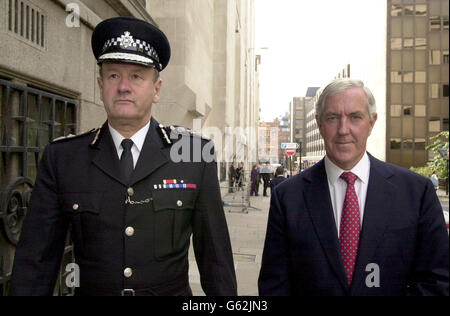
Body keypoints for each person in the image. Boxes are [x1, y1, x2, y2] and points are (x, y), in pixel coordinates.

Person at [10, 17, 237, 296]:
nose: (124, 86)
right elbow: (36, 261)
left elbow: (215, 260)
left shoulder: (193, 156)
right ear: (100, 85)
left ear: (156, 89)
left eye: (137, 76)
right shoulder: (64, 158)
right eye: (114, 75)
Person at [259, 79, 449, 296]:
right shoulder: (288, 197)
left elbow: (436, 282)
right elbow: (274, 286)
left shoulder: (416, 193)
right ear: (319, 123)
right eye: (333, 118)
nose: (343, 130)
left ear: (371, 122)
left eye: (355, 117)